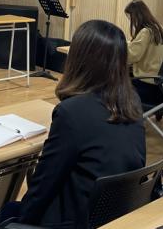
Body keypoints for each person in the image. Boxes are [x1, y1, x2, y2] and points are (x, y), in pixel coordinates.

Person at [13, 19, 146, 229]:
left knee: (8, 213)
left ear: (78, 58)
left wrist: (20, 223)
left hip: (76, 220)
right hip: (118, 216)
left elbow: (45, 183)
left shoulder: (71, 113)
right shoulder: (132, 102)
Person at [124, 0, 163, 105]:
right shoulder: (158, 27)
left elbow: (131, 57)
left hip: (145, 83)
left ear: (137, 16)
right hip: (158, 82)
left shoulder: (145, 32)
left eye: (130, 18)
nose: (130, 22)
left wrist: (122, 44)